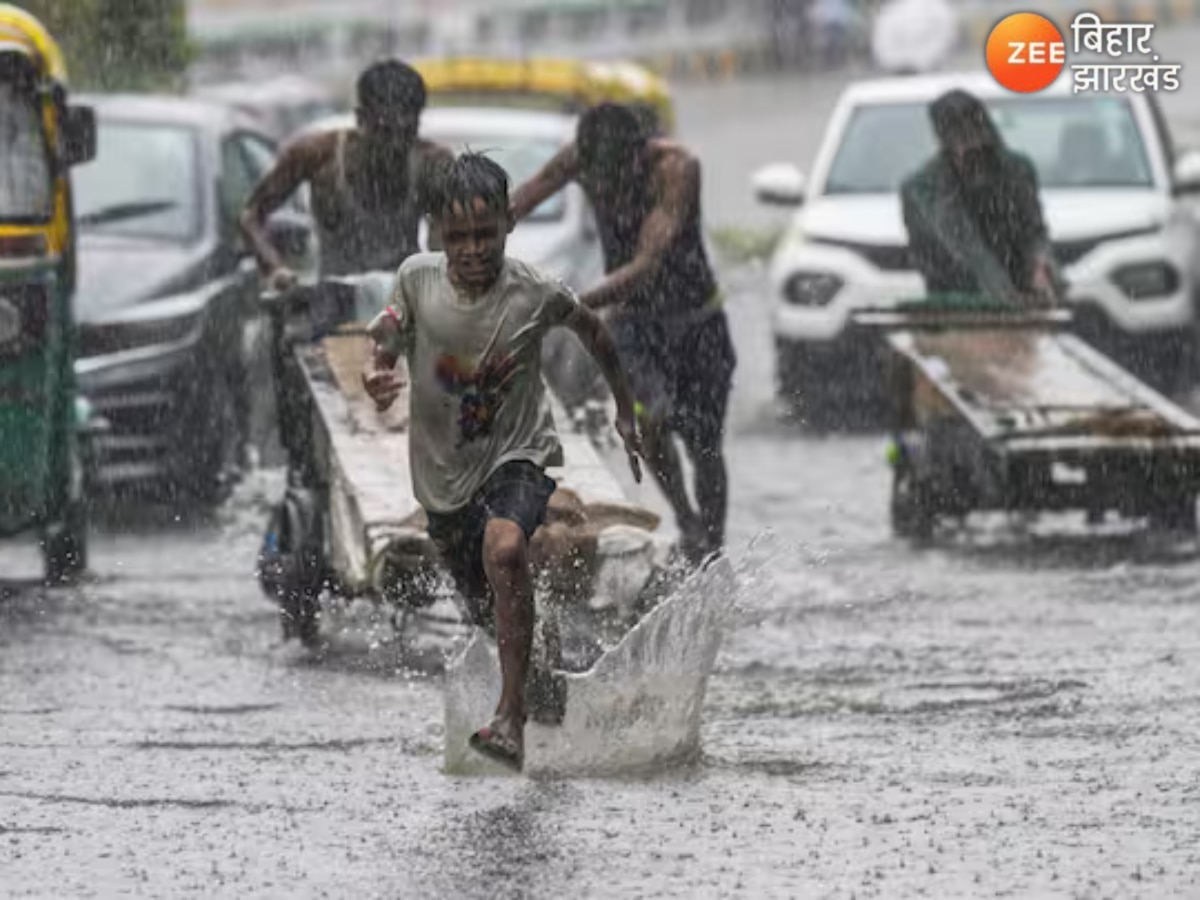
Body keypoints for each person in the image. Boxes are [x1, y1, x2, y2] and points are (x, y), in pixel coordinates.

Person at [362, 152, 642, 771]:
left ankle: (509, 718)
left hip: (520, 455)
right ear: (437, 231)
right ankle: (538, 683)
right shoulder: (417, 279)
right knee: (493, 612)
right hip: (442, 482)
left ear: (508, 225)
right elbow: (385, 329)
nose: (471, 250)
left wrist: (625, 411)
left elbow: (594, 331)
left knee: (507, 548)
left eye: (484, 234)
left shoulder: (533, 291)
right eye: (456, 236)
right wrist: (378, 367)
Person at [509, 103, 736, 565]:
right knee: (646, 421)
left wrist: (569, 307)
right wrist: (472, 234)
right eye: (599, 177)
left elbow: (646, 266)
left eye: (616, 174)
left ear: (640, 154)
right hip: (633, 324)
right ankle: (686, 519)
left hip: (696, 322)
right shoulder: (580, 158)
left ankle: (712, 546)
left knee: (704, 444)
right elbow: (524, 198)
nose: (607, 186)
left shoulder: (675, 169)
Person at [239, 59, 453, 288]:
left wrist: (442, 265)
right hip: (332, 302)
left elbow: (446, 236)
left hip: (407, 298)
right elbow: (250, 215)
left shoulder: (433, 163)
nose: (396, 145)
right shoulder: (317, 155)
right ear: (361, 119)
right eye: (385, 132)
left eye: (407, 132)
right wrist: (275, 269)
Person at [900, 89, 1061, 308]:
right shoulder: (922, 187)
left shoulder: (1016, 171)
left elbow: (1034, 231)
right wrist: (998, 294)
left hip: (1024, 302)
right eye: (961, 141)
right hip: (956, 307)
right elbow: (939, 254)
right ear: (945, 141)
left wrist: (1040, 264)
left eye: (976, 140)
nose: (972, 151)